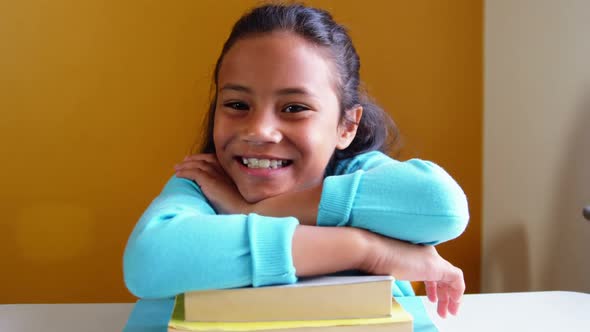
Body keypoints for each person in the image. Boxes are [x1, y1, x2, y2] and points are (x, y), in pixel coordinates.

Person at [123, 3, 469, 319]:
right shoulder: (205, 182)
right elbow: (150, 260)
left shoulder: (358, 175)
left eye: (294, 109)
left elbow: (444, 208)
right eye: (237, 105)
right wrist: (366, 250)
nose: (259, 131)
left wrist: (253, 211)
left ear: (346, 126)